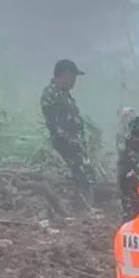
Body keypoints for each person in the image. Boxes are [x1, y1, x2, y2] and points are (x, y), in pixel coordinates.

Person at [40, 59, 92, 207]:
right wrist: (71, 141)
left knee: (85, 174)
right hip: (65, 143)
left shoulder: (64, 94)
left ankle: (83, 204)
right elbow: (55, 123)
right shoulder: (52, 93)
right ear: (64, 75)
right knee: (81, 174)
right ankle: (83, 206)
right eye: (73, 76)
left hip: (74, 143)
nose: (74, 81)